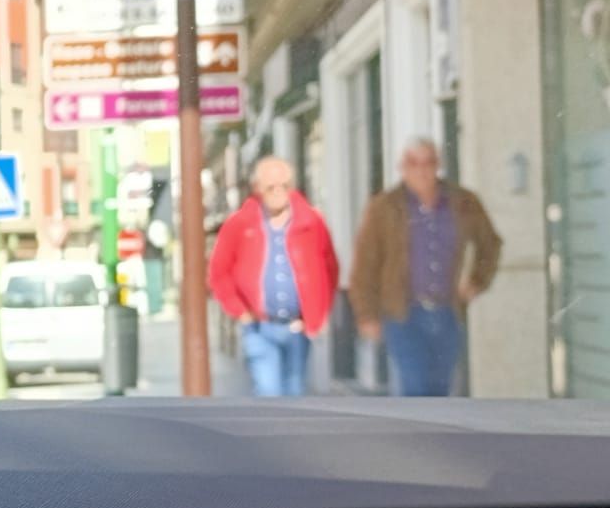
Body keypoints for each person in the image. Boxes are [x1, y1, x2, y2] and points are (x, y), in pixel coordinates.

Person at [350, 137, 503, 397]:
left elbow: (490, 243)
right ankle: (415, 438)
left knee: (441, 389)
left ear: (438, 164)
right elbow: (365, 264)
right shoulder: (384, 208)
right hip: (403, 315)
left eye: (428, 162)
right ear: (402, 167)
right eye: (413, 163)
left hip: (447, 313)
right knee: (414, 388)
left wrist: (477, 281)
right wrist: (367, 315)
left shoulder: (463, 202)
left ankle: (434, 438)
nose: (421, 170)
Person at [207, 156, 340, 397]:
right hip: (259, 328)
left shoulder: (312, 222)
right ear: (258, 188)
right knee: (268, 392)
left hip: (298, 328)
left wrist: (317, 315)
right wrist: (241, 312)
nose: (279, 192)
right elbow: (219, 272)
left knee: (295, 391)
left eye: (285, 186)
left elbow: (329, 269)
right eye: (271, 187)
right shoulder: (239, 224)